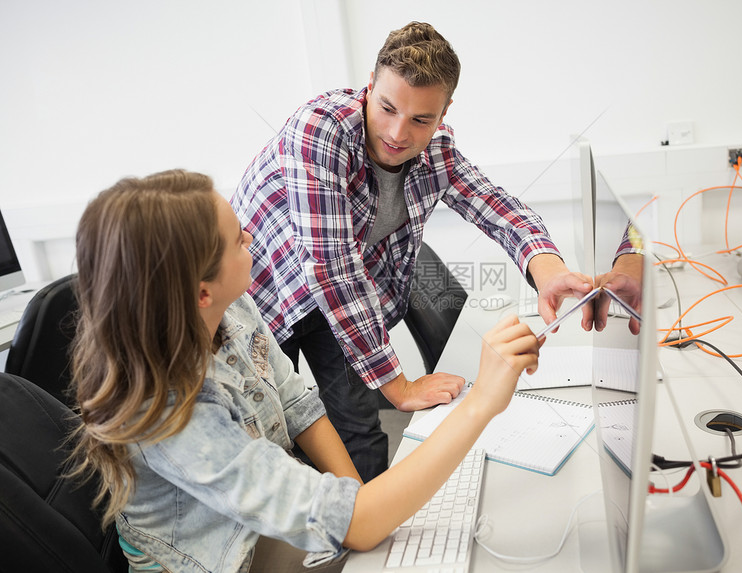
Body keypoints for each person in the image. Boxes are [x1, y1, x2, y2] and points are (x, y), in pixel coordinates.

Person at [69, 170, 541, 573]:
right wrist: (480, 404)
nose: (251, 237)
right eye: (238, 239)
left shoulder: (232, 310)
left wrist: (357, 500)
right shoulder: (170, 416)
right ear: (199, 294)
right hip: (228, 557)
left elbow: (298, 405)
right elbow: (355, 525)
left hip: (257, 513)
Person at [230, 21, 599, 481]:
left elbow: (497, 207)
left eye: (421, 119)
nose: (398, 133)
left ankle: (362, 540)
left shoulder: (436, 150)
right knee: (267, 432)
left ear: (443, 114)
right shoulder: (319, 131)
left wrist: (548, 269)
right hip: (269, 289)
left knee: (358, 427)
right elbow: (331, 269)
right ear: (369, 87)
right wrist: (400, 386)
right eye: (386, 108)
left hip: (342, 303)